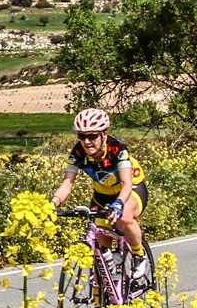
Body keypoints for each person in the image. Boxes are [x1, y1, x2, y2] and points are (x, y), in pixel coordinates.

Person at [50, 108, 150, 283]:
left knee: (124, 217)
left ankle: (138, 255)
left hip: (130, 189)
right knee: (100, 240)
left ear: (103, 134)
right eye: (81, 136)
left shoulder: (117, 149)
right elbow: (67, 183)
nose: (86, 142)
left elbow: (126, 185)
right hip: (102, 194)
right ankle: (103, 295)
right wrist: (52, 204)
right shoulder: (78, 153)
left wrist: (118, 204)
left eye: (92, 136)